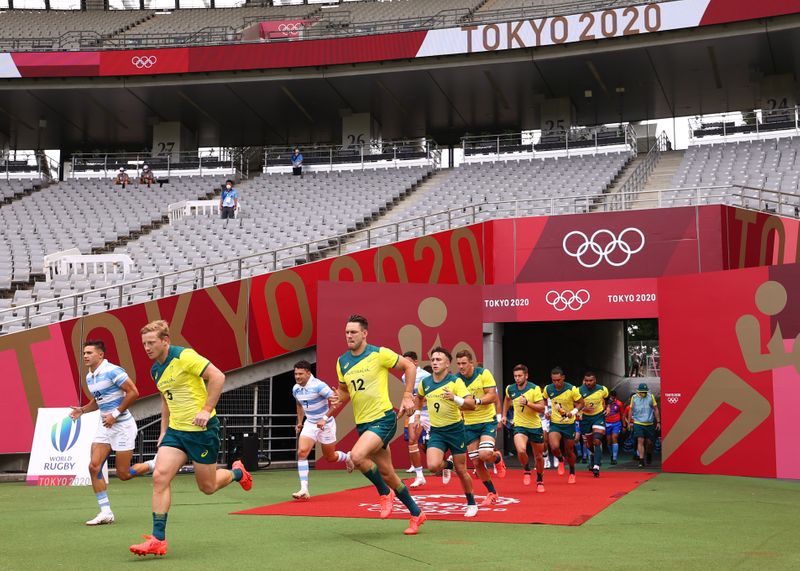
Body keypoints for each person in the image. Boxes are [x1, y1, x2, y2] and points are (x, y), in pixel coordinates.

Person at [129, 320, 252, 558]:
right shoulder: (156, 370)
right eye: (144, 343)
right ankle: (158, 539)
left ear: (165, 341)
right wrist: (164, 430)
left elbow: (218, 376)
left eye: (151, 342)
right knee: (159, 477)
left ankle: (237, 473)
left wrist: (206, 409)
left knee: (207, 487)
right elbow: (166, 399)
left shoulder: (185, 356)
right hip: (176, 432)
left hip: (201, 432)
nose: (147, 347)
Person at [335, 314, 426, 535]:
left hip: (383, 419)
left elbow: (410, 367)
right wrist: (332, 402)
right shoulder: (342, 362)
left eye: (353, 332)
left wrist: (407, 396)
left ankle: (384, 494)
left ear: (364, 334)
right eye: (347, 332)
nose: (349, 336)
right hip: (363, 425)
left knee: (357, 457)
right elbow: (344, 392)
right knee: (388, 473)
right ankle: (416, 513)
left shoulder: (379, 353)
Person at [69, 340, 154, 526]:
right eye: (84, 353)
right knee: (94, 467)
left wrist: (115, 415)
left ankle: (155, 464)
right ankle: (106, 512)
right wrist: (82, 410)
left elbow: (133, 392)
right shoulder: (90, 377)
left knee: (123, 474)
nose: (85, 356)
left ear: (100, 355)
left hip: (122, 426)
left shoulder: (113, 371)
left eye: (89, 353)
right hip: (104, 426)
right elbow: (98, 400)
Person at [414, 347, 478, 517]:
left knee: (462, 470)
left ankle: (471, 502)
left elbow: (471, 404)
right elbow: (419, 398)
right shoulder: (425, 383)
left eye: (439, 360)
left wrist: (455, 398)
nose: (435, 363)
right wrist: (418, 414)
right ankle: (447, 465)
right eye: (433, 359)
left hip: (456, 431)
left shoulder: (455, 382)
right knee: (433, 466)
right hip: (437, 432)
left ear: (448, 364)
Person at [291, 360, 353, 500]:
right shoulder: (296, 388)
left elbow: (336, 402)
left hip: (327, 424)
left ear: (308, 373)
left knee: (330, 457)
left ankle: (348, 457)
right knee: (302, 452)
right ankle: (304, 489)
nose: (297, 377)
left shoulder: (319, 385)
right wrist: (300, 422)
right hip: (310, 424)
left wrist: (324, 418)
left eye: (300, 374)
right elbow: (299, 405)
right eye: (295, 374)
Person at [455, 349, 505, 507]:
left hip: (486, 421)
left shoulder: (483, 374)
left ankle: (497, 458)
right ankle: (492, 492)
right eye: (458, 364)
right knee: (476, 462)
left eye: (464, 363)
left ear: (472, 363)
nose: (461, 367)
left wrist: (475, 402)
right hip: (468, 425)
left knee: (484, 454)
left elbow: (493, 396)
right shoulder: (456, 380)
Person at [500, 364, 546, 492]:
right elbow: (507, 400)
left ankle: (540, 479)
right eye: (515, 376)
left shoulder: (534, 389)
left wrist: (527, 403)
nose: (517, 378)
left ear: (526, 376)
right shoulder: (510, 388)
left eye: (520, 376)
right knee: (521, 450)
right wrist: (504, 415)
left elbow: (542, 408)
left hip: (535, 426)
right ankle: (526, 470)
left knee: (539, 457)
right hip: (520, 426)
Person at [543, 367, 584, 484]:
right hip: (555, 423)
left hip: (569, 424)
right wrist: (546, 410)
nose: (556, 382)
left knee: (569, 450)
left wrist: (574, 412)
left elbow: (582, 403)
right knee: (554, 447)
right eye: (554, 380)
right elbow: (544, 398)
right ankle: (560, 460)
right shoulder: (548, 388)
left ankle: (572, 472)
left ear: (563, 378)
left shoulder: (572, 389)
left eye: (558, 380)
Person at [401, 351, 431, 488]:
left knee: (434, 445)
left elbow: (431, 395)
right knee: (412, 440)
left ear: (416, 362)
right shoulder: (404, 376)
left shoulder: (425, 376)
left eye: (408, 361)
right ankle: (419, 476)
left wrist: (418, 399)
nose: (405, 364)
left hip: (431, 413)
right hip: (417, 413)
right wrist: (404, 407)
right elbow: (408, 396)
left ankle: (448, 463)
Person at [578, 372, 609, 477]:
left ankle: (596, 466)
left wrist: (608, 407)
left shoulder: (602, 389)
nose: (588, 383)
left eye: (590, 381)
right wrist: (583, 408)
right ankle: (592, 455)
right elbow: (573, 402)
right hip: (585, 418)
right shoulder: (578, 390)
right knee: (589, 444)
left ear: (595, 380)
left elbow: (607, 398)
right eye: (586, 381)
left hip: (598, 417)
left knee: (597, 440)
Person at [627, 382, 661, 468]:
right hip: (638, 423)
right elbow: (630, 410)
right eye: (642, 392)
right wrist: (629, 422)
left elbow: (656, 409)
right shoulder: (634, 398)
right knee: (640, 441)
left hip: (649, 423)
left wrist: (658, 421)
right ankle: (641, 461)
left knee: (649, 443)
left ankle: (649, 453)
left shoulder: (650, 396)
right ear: (638, 391)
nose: (644, 393)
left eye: (645, 392)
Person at [605, 390, 625, 464]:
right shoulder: (605, 404)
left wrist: (624, 425)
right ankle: (612, 454)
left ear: (615, 397)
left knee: (614, 437)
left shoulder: (619, 403)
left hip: (616, 423)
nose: (612, 399)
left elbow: (622, 414)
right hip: (607, 423)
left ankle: (614, 458)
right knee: (609, 442)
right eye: (611, 397)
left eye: (613, 397)